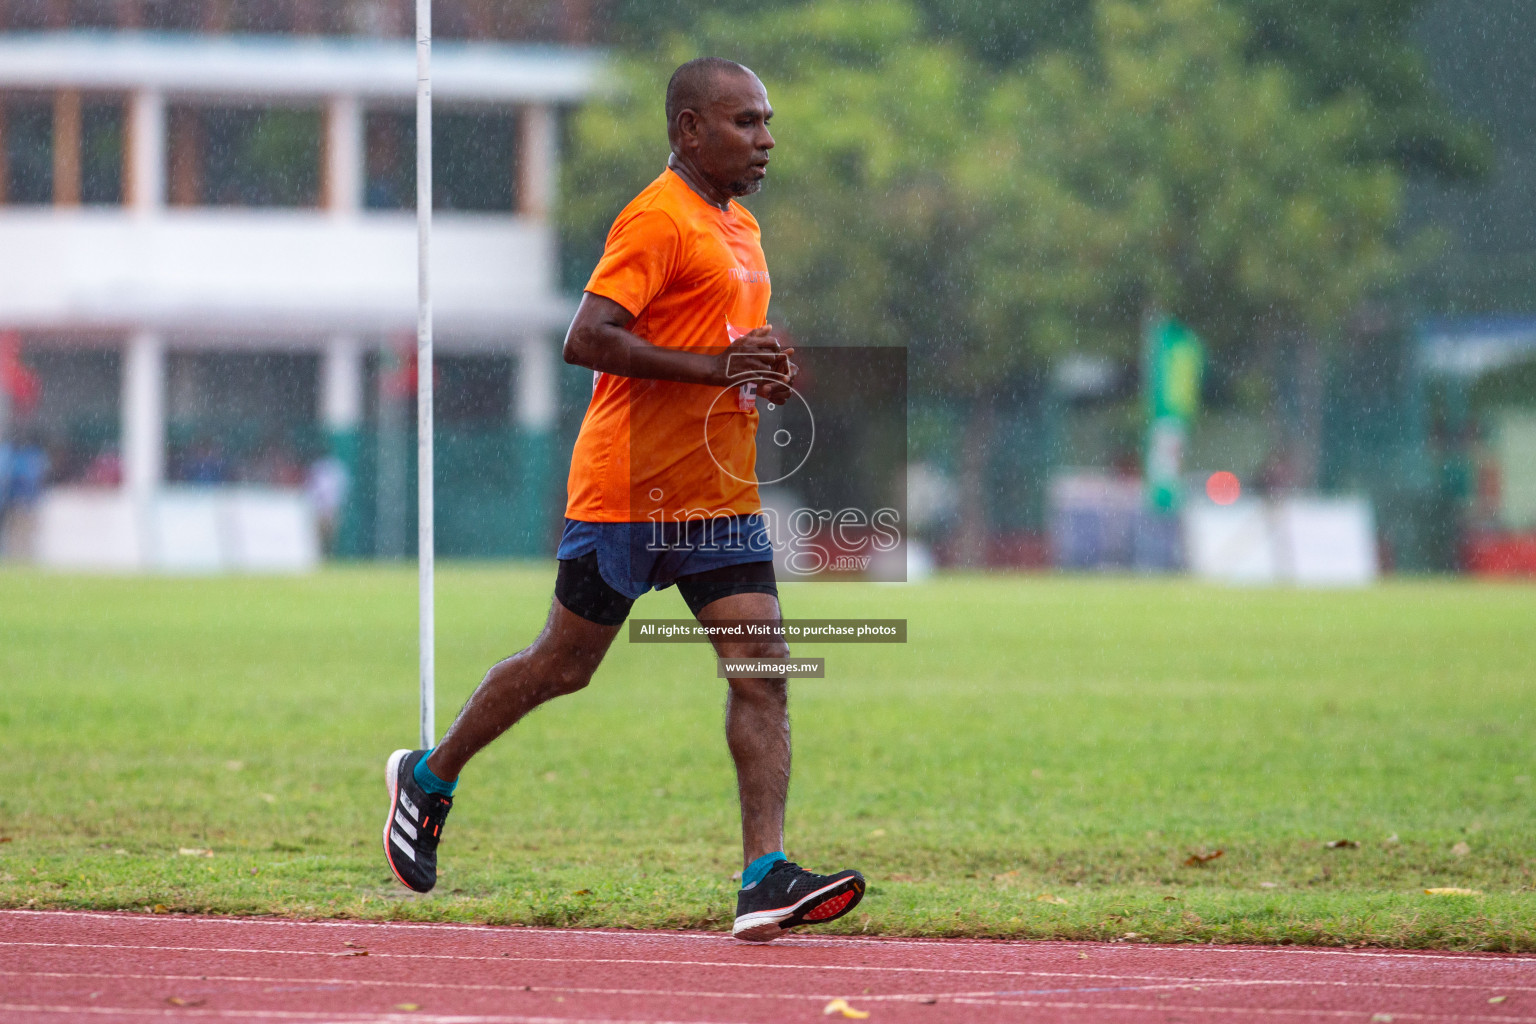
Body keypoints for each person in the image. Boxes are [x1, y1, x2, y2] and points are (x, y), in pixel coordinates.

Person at [380, 57, 864, 942]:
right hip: (627, 493)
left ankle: (764, 875)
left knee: (762, 668)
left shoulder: (742, 228)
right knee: (563, 667)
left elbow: (721, 348)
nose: (766, 139)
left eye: (767, 122)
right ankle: (429, 776)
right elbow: (587, 339)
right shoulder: (655, 218)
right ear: (688, 130)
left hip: (717, 492)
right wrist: (715, 368)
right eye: (746, 122)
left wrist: (761, 375)